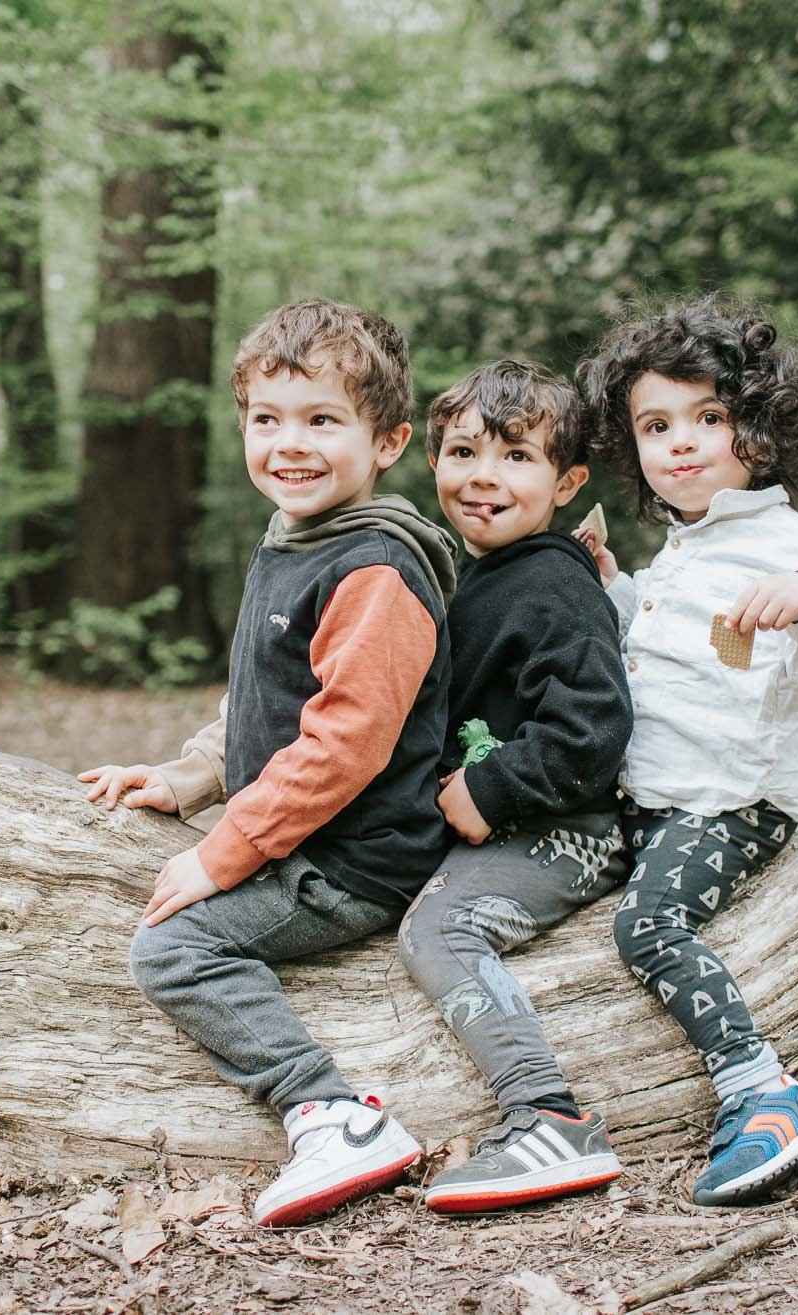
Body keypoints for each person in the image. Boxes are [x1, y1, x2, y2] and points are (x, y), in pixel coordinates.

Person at [78, 298, 456, 1227]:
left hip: (357, 858)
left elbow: (344, 741)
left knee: (173, 945)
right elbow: (263, 700)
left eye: (323, 420)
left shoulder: (374, 567)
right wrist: (191, 777)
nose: (290, 444)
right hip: (300, 834)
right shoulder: (298, 538)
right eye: (267, 419)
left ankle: (329, 1113)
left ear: (388, 440)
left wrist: (226, 848)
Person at [574, 296, 798, 1206]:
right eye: (656, 425)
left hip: (728, 802)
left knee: (647, 927)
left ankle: (761, 1090)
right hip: (652, 792)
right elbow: (663, 656)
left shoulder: (789, 544)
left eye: (710, 417)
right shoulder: (681, 549)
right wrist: (619, 592)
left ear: (764, 427)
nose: (682, 443)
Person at [396, 360, 634, 1213]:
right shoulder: (468, 577)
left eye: (517, 457)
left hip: (568, 826)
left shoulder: (556, 583)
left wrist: (490, 788)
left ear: (566, 481)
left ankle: (547, 1116)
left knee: (440, 929)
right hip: (510, 819)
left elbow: (594, 727)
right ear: (433, 463)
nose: (483, 476)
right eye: (462, 451)